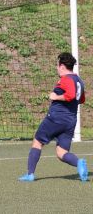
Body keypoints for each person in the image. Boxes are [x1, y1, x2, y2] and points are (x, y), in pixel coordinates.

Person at [19, 52, 88, 182]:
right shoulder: (79, 80)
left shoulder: (66, 79)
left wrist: (56, 97)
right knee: (61, 152)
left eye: (57, 65)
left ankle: (30, 174)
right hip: (70, 120)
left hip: (56, 118)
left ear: (62, 66)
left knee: (37, 142)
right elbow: (81, 99)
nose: (57, 68)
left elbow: (71, 95)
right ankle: (79, 163)